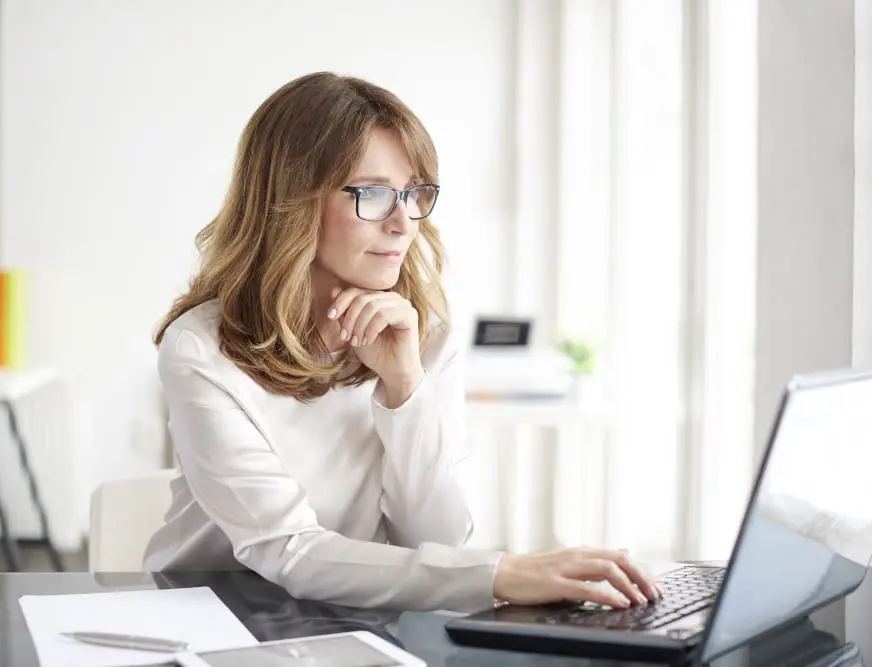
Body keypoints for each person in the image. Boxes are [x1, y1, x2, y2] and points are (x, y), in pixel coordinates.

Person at [143, 71, 661, 613]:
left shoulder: (425, 334)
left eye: (414, 193)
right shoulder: (202, 350)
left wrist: (405, 388)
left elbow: (434, 543)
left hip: (345, 615)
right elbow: (288, 549)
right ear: (291, 200)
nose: (403, 222)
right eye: (372, 193)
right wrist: (504, 572)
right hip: (206, 614)